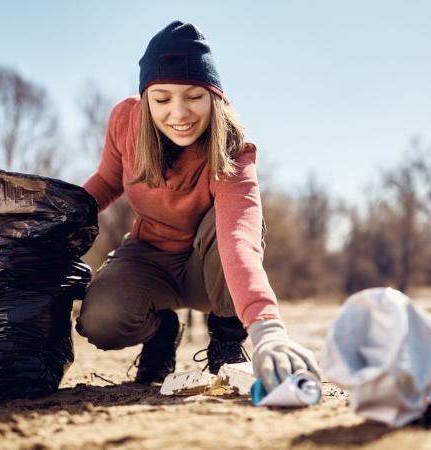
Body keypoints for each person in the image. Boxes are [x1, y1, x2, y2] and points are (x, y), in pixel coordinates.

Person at [76, 21, 319, 392]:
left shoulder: (232, 150)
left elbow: (239, 237)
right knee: (100, 321)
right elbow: (107, 181)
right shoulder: (125, 122)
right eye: (162, 99)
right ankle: (161, 331)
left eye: (193, 96)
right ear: (145, 99)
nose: (179, 113)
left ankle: (225, 336)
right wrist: (53, 213)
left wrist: (268, 329)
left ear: (213, 96)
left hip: (212, 269)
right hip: (151, 257)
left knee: (227, 230)